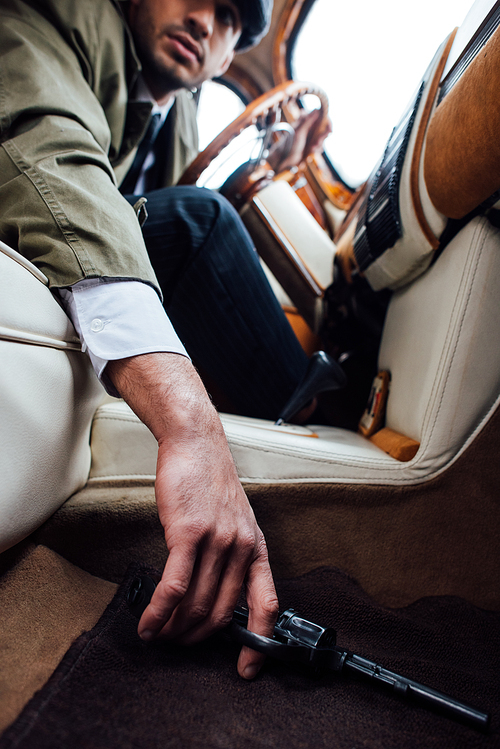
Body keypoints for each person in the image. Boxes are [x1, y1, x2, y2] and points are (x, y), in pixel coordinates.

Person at [0, 0, 326, 680]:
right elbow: (57, 157)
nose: (206, 21)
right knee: (200, 222)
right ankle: (318, 418)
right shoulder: (57, 16)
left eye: (232, 17)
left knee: (200, 215)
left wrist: (278, 163)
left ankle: (307, 411)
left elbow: (160, 200)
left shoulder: (175, 108)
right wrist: (190, 425)